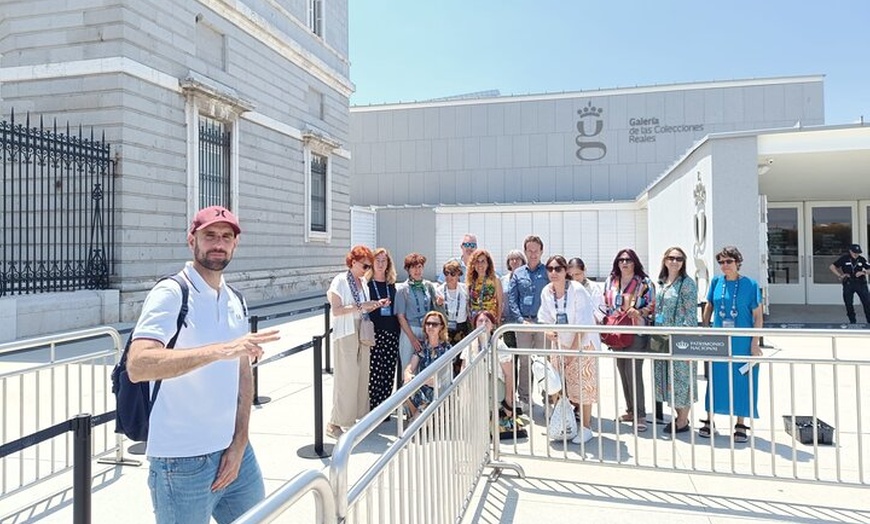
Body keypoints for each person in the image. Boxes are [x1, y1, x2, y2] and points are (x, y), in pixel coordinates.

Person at [127, 206, 281, 523]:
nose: (218, 243)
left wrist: (240, 442)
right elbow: (138, 364)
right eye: (209, 235)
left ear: (235, 244)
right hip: (181, 462)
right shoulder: (171, 292)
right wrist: (220, 350)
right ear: (191, 240)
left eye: (226, 236)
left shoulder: (235, 298)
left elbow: (242, 375)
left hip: (235, 452)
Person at [325, 246, 390, 440]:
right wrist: (361, 306)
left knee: (362, 376)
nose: (367, 268)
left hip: (361, 329)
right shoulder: (340, 281)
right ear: (353, 262)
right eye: (365, 265)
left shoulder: (362, 282)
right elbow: (336, 310)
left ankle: (356, 418)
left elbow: (363, 307)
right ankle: (335, 422)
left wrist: (377, 304)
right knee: (347, 378)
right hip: (346, 332)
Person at [700, 246, 763, 443]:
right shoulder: (716, 282)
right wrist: (705, 329)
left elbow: (758, 316)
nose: (725, 265)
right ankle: (710, 420)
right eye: (721, 262)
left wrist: (755, 343)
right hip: (720, 340)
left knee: (742, 379)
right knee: (717, 379)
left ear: (737, 262)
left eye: (729, 261)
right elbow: (709, 305)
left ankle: (741, 422)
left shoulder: (750, 284)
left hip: (742, 341)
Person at [537, 255, 599, 445]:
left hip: (583, 344)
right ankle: (563, 423)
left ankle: (586, 428)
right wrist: (549, 333)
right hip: (560, 345)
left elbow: (583, 325)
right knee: (559, 386)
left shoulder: (577, 290)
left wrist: (572, 353)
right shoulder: (547, 291)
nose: (554, 273)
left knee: (583, 387)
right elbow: (544, 319)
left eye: (558, 269)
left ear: (566, 271)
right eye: (550, 269)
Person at [603, 248, 655, 432]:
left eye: (628, 260)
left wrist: (639, 311)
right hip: (616, 331)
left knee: (634, 371)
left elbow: (652, 304)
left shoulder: (644, 282)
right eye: (621, 260)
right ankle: (631, 410)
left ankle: (641, 415)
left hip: (636, 331)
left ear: (635, 262)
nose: (624, 263)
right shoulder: (611, 281)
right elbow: (605, 303)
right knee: (622, 371)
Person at [652, 247, 698, 435]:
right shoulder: (662, 282)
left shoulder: (687, 284)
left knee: (682, 378)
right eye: (671, 258)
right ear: (664, 260)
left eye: (679, 259)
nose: (674, 261)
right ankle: (679, 416)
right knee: (666, 377)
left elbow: (691, 315)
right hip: (661, 337)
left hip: (680, 338)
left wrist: (684, 338)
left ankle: (681, 420)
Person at [461, 310, 527, 440]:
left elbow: (509, 375)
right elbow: (463, 370)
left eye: (487, 321)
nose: (483, 324)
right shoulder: (470, 343)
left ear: (492, 325)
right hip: (475, 386)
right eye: (480, 321)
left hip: (494, 387)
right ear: (475, 324)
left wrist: (508, 400)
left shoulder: (499, 344)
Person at [507, 235, 548, 411]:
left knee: (544, 362)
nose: (533, 254)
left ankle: (549, 399)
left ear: (541, 252)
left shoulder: (547, 272)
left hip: (542, 324)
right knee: (524, 362)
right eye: (529, 250)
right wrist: (520, 320)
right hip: (523, 323)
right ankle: (524, 398)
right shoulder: (518, 273)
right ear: (525, 251)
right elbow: (512, 300)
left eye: (536, 251)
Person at [395, 253, 442, 373]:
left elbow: (435, 305)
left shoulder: (428, 286)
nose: (417, 270)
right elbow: (401, 317)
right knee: (409, 368)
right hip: (410, 331)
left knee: (424, 368)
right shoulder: (403, 289)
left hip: (427, 329)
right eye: (413, 267)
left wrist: (439, 301)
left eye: (420, 266)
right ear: (408, 269)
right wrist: (412, 339)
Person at [366, 248, 400, 413]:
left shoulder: (391, 285)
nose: (380, 264)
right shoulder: (366, 284)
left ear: (388, 264)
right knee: (374, 371)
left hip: (392, 332)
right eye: (377, 260)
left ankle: (385, 407)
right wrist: (377, 304)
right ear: (372, 263)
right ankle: (373, 408)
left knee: (388, 371)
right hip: (374, 333)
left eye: (383, 261)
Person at [403, 311, 452, 421]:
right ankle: (419, 419)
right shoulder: (421, 347)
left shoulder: (447, 348)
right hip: (422, 386)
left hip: (438, 388)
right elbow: (410, 367)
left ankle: (415, 422)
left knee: (424, 399)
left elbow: (440, 377)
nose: (430, 326)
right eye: (428, 323)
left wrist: (417, 380)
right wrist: (407, 375)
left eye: (434, 324)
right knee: (405, 388)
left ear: (441, 327)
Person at [829, 243, 870, 324]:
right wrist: (840, 275)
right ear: (850, 251)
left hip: (861, 283)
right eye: (854, 252)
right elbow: (832, 267)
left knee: (867, 302)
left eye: (858, 252)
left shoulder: (861, 259)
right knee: (848, 303)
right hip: (848, 283)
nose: (856, 254)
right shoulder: (844, 258)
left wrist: (863, 272)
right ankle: (852, 321)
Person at [467, 248, 504, 322]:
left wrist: (498, 320)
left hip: (489, 320)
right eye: (477, 261)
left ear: (488, 264)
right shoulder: (471, 280)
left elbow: (500, 303)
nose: (480, 264)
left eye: (483, 261)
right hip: (475, 320)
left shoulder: (495, 279)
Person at [500, 249, 527, 349]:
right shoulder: (503, 279)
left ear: (523, 261)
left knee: (523, 349)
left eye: (517, 259)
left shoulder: (527, 278)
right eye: (511, 259)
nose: (514, 262)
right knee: (510, 349)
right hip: (507, 320)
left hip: (522, 320)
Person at [566, 257, 604, 322]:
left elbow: (600, 312)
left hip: (590, 326)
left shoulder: (594, 287)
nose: (574, 278)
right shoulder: (566, 288)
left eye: (577, 274)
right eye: (571, 275)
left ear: (584, 270)